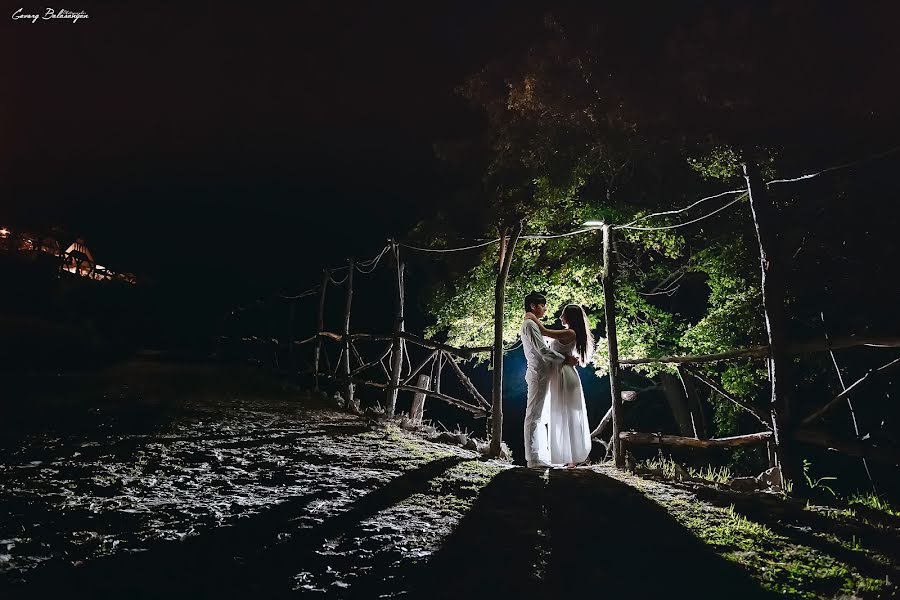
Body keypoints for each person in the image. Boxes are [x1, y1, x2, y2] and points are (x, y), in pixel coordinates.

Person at [525, 304, 594, 467]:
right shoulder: (567, 333)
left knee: (567, 415)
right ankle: (568, 457)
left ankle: (572, 459)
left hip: (564, 375)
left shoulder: (569, 332)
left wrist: (530, 316)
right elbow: (546, 339)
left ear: (569, 317)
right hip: (560, 374)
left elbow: (544, 332)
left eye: (563, 314)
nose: (560, 317)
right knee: (562, 414)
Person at [520, 291, 578, 468]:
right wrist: (565, 360)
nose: (545, 309)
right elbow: (542, 350)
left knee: (540, 415)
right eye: (542, 305)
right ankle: (533, 457)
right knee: (534, 415)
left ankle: (542, 455)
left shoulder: (532, 323)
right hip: (538, 373)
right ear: (533, 306)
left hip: (543, 373)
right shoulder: (529, 324)